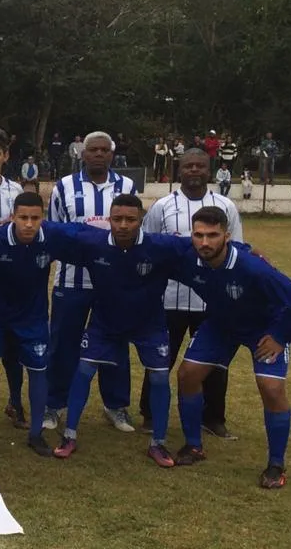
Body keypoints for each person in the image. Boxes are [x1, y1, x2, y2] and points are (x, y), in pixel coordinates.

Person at [51, 194, 193, 466]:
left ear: (141, 220)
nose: (123, 225)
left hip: (149, 324)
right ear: (109, 219)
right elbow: (59, 232)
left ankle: (158, 443)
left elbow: (198, 245)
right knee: (83, 371)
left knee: (160, 378)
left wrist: (246, 250)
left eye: (130, 219)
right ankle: (69, 435)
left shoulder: (161, 246)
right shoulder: (94, 243)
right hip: (105, 323)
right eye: (117, 219)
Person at [175, 206, 291, 488]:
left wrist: (280, 335)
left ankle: (275, 465)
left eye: (213, 235)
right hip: (221, 325)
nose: (204, 242)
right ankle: (193, 446)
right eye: (198, 235)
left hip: (263, 328)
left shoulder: (252, 267)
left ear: (226, 236)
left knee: (271, 388)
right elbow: (154, 245)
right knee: (187, 374)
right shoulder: (189, 256)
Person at [138, 149, 244, 440]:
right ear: (179, 170)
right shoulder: (162, 206)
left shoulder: (225, 206)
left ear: (209, 170)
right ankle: (150, 414)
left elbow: (237, 250)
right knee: (161, 358)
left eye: (200, 166)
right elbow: (149, 248)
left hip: (211, 301)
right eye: (188, 166)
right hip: (169, 298)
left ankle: (213, 418)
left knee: (214, 361)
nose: (194, 170)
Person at [0, 192, 82, 455]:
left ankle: (35, 434)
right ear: (12, 217)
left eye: (35, 218)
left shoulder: (52, 236)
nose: (29, 224)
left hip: (32, 318)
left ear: (43, 219)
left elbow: (85, 235)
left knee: (38, 370)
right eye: (23, 217)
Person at [45, 131, 137, 433]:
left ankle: (115, 405)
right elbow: (54, 231)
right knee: (62, 343)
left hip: (113, 283)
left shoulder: (127, 186)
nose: (98, 154)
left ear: (112, 154)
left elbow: (133, 230)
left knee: (115, 343)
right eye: (92, 150)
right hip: (72, 280)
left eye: (104, 150)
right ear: (82, 154)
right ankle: (54, 404)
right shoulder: (64, 186)